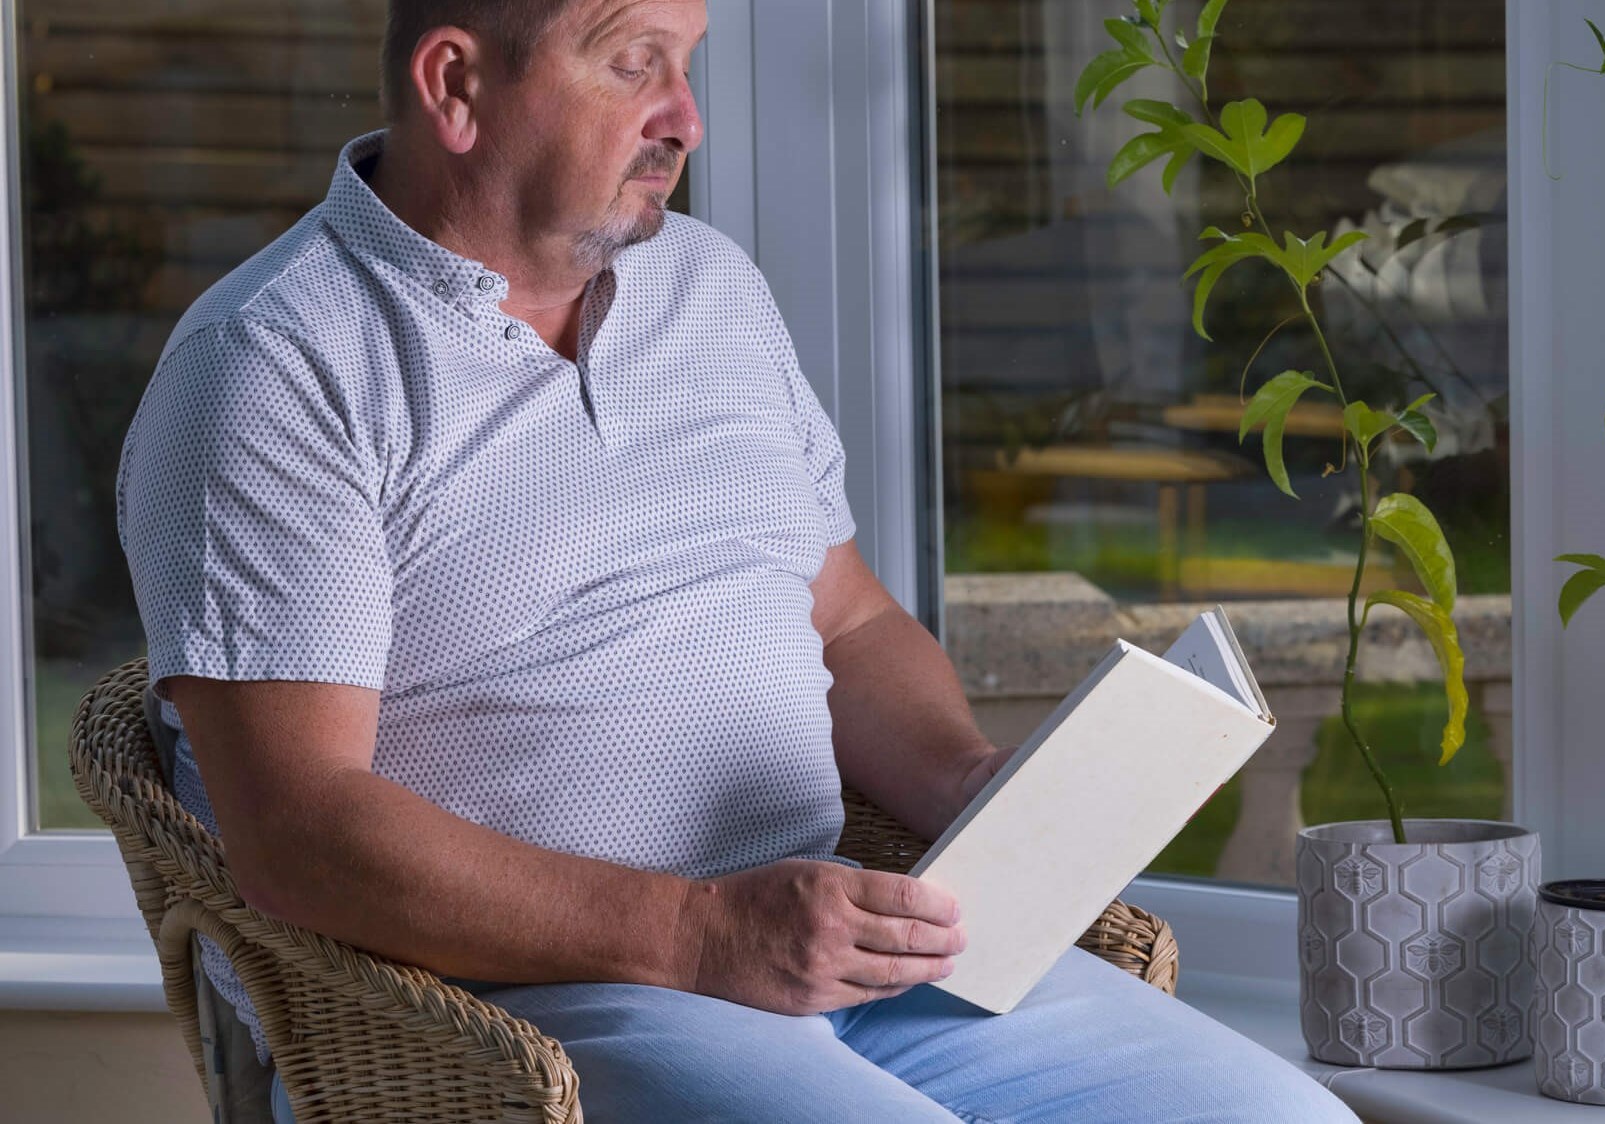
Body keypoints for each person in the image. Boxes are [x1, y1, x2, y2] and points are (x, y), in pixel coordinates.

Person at [116, 1, 1357, 1119]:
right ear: (456, 85)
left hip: (853, 946)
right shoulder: (272, 366)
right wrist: (698, 932)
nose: (686, 117)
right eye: (633, 62)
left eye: (690, 62)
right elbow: (300, 831)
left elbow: (850, 622)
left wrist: (973, 784)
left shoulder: (709, 288)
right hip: (535, 998)